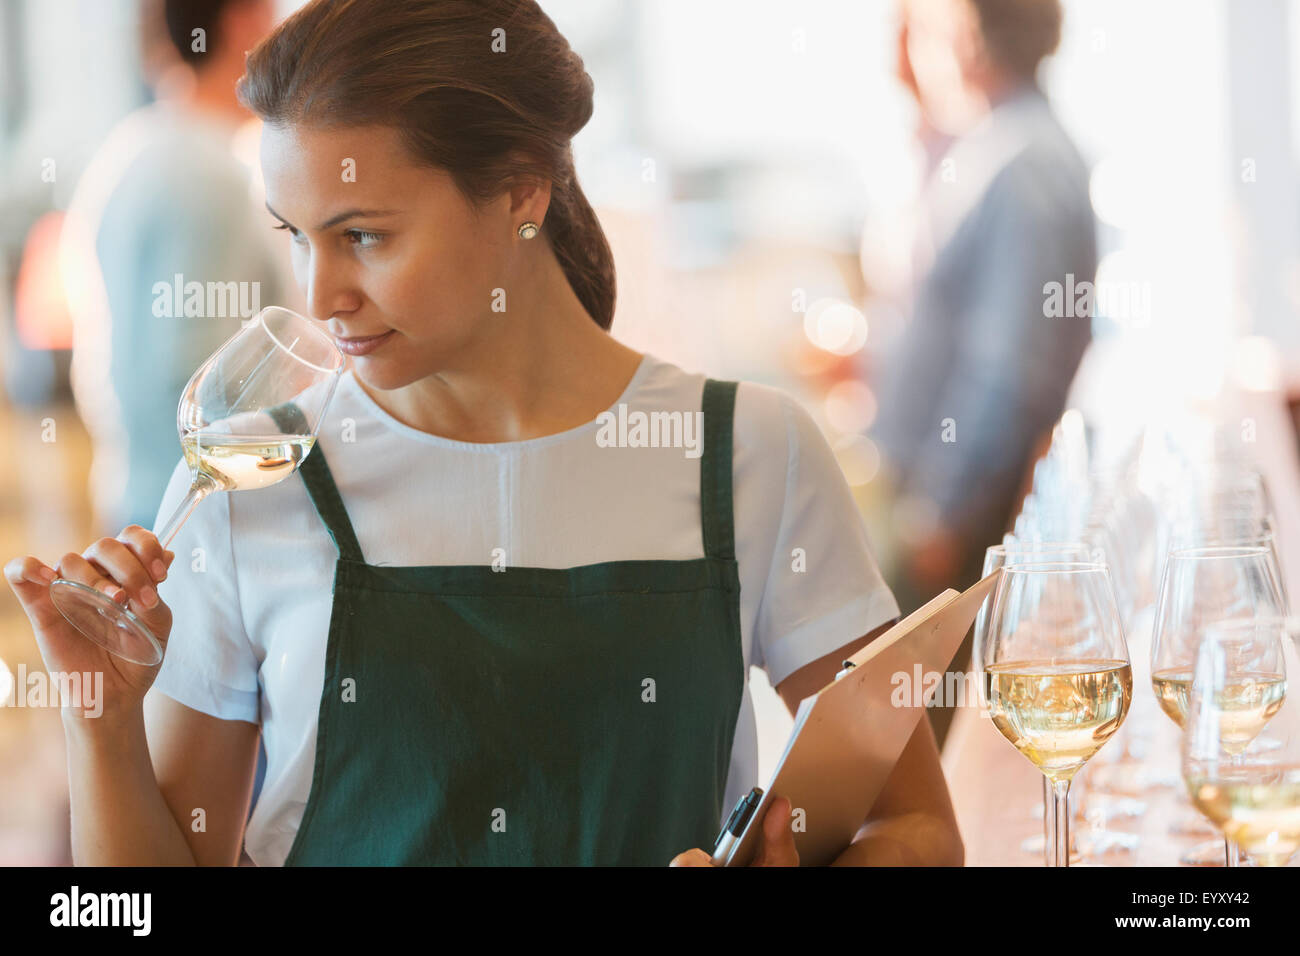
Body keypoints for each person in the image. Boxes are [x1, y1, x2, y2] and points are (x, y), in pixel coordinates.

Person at [6, 0, 961, 867]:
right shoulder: (255, 485)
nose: (319, 296)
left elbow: (916, 831)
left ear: (521, 191)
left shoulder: (752, 455)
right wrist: (102, 722)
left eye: (364, 236)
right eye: (295, 236)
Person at [865, 0, 1096, 747]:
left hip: (963, 522)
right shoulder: (1001, 150)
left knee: (927, 747)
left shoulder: (1020, 164)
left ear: (966, 37)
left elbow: (1009, 371)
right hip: (959, 508)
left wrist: (941, 507)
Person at [63, 0, 282, 535]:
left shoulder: (133, 150)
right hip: (196, 514)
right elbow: (195, 370)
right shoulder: (206, 176)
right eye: (272, 20)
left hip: (140, 489)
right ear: (241, 26)